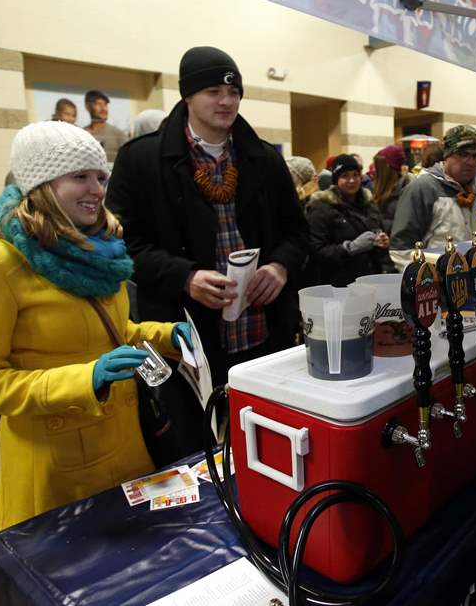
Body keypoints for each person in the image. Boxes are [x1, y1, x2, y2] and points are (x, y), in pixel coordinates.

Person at [0, 121, 191, 531]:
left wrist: (166, 336)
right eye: (80, 176)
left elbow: (113, 331)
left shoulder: (98, 251)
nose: (97, 189)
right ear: (40, 184)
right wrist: (85, 379)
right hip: (58, 467)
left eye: (100, 177)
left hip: (129, 448)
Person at [107, 46, 307, 397]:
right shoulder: (141, 160)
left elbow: (298, 232)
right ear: (188, 95)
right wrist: (184, 277)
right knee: (198, 439)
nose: (225, 101)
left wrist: (280, 267)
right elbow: (123, 246)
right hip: (185, 337)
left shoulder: (264, 160)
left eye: (233, 92)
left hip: (262, 332)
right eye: (213, 91)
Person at [390, 125, 476, 267]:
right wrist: (423, 281)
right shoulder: (422, 189)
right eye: (463, 154)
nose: (471, 162)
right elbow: (401, 249)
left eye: (475, 155)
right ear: (447, 156)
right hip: (436, 282)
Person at [307, 154, 394, 287]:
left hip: (370, 280)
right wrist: (349, 248)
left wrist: (383, 242)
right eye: (345, 176)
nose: (352, 180)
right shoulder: (322, 208)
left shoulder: (369, 205)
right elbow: (316, 250)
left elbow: (378, 232)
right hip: (339, 284)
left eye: (355, 175)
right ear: (336, 180)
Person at [371, 144, 409, 234]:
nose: (373, 171)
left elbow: (406, 225)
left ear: (386, 169)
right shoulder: (374, 189)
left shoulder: (407, 192)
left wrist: (375, 226)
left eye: (377, 167)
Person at [83, 89, 129, 163]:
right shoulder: (81, 134)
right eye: (99, 104)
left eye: (105, 105)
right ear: (87, 107)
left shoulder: (118, 134)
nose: (104, 109)